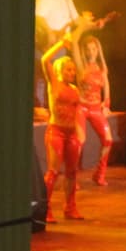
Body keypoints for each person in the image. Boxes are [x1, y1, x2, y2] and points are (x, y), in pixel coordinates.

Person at [41, 22, 90, 222]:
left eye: (73, 70)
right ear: (61, 70)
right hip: (56, 132)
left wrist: (80, 132)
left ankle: (70, 208)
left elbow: (78, 112)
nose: (72, 72)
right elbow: (45, 59)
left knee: (71, 172)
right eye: (68, 70)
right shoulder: (54, 83)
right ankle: (46, 208)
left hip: (71, 134)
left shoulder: (75, 89)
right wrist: (61, 44)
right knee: (53, 171)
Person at [71, 35, 114, 187]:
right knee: (80, 141)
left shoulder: (102, 68)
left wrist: (106, 103)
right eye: (88, 49)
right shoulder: (80, 66)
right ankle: (72, 177)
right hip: (82, 107)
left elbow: (107, 86)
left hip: (96, 108)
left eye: (94, 49)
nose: (91, 52)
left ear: (98, 50)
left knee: (108, 140)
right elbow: (74, 43)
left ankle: (99, 174)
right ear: (84, 51)